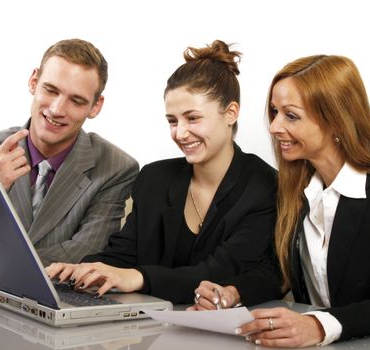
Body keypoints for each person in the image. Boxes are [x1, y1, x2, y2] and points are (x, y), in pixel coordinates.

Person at [189, 55, 370, 347]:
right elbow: (278, 274)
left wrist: (317, 326)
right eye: (274, 112)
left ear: (336, 120)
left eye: (291, 115)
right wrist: (232, 293)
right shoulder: (296, 190)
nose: (273, 127)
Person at [46, 40, 282, 304]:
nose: (180, 133)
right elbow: (122, 255)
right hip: (150, 330)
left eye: (193, 118)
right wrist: (81, 269)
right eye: (173, 121)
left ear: (230, 113)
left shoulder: (264, 186)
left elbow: (222, 272)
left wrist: (139, 278)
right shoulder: (154, 178)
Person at [0, 39, 139, 287]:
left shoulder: (116, 168)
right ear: (34, 81)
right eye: (51, 90)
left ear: (95, 106)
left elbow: (84, 255)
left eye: (76, 101)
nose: (56, 109)